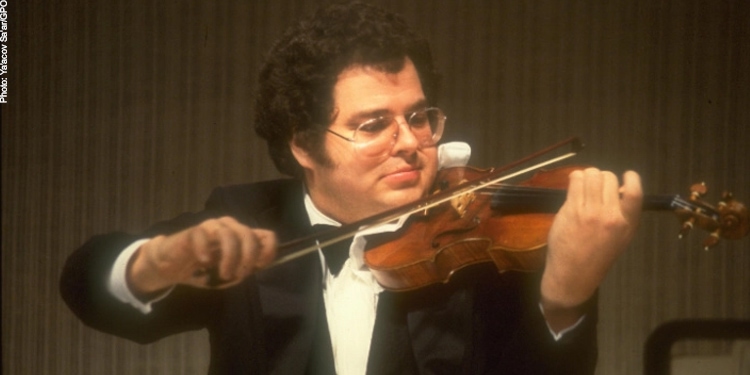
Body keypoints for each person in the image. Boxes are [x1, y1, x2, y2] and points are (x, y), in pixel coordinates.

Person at [60, 2, 643, 374]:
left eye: (419, 117)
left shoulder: (480, 247)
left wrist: (566, 295)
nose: (410, 141)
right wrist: (155, 262)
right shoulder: (247, 219)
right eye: (373, 125)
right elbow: (90, 288)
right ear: (303, 145)